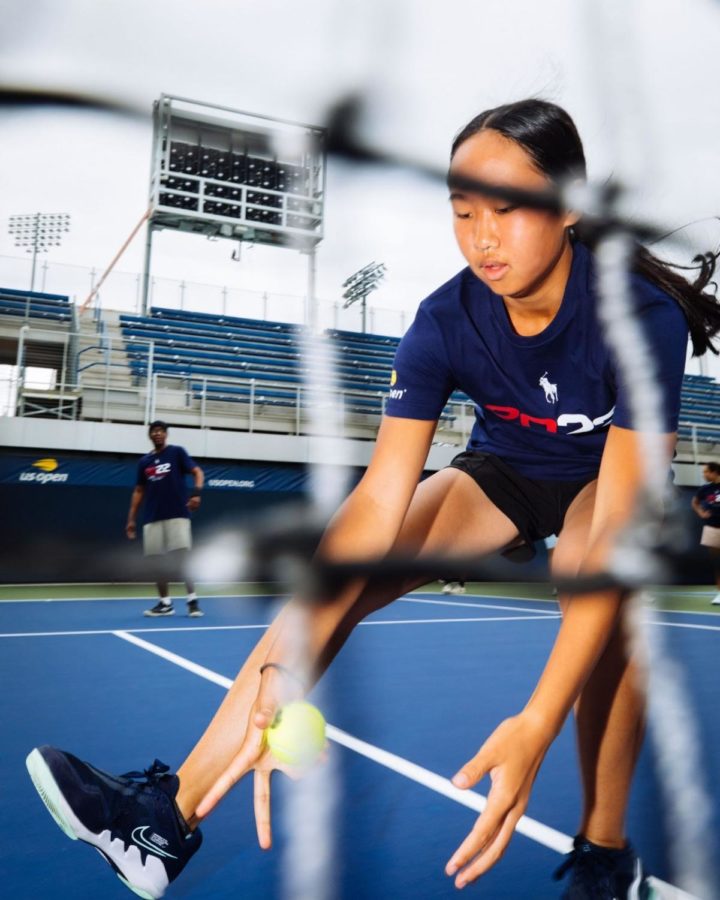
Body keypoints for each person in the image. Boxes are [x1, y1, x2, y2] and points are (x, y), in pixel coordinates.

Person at [26, 99, 720, 900]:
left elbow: (619, 536)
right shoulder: (444, 320)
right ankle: (163, 822)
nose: (481, 237)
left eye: (508, 210)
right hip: (502, 472)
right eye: (462, 212)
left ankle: (605, 853)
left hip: (607, 477)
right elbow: (376, 504)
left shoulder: (639, 316)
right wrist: (283, 668)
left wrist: (536, 721)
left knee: (600, 589)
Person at [126, 420, 205, 617]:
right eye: (154, 431)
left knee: (182, 559)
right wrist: (131, 519)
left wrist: (196, 493)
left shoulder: (177, 452)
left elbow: (198, 472)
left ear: (166, 435)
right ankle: (165, 603)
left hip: (177, 514)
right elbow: (138, 491)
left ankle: (192, 601)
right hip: (153, 517)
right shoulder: (144, 462)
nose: (158, 434)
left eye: (161, 431)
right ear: (150, 436)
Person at [691, 461, 720, 604]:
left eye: (706, 471)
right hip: (712, 528)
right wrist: (701, 513)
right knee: (717, 562)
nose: (704, 474)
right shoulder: (704, 489)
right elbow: (694, 502)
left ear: (714, 472)